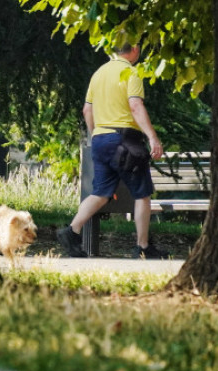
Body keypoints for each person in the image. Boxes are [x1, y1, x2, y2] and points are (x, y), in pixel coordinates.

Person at [56, 41, 169, 259]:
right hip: (125, 140)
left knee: (100, 192)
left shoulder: (98, 74)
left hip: (100, 139)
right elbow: (136, 106)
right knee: (142, 193)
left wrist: (95, 134)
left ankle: (72, 232)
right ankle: (143, 246)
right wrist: (152, 137)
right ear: (135, 49)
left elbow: (87, 110)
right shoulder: (130, 72)